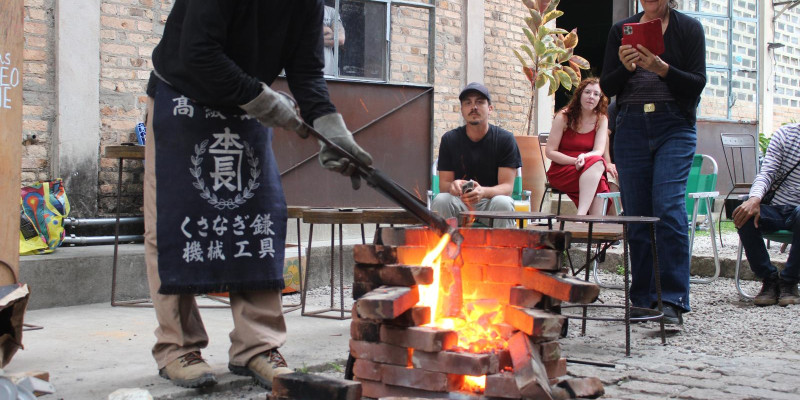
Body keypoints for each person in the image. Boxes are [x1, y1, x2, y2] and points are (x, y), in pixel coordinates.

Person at [143, 0, 372, 390]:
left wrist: (329, 124)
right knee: (173, 223)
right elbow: (198, 52)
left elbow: (306, 70)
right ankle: (177, 347)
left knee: (258, 220)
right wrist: (263, 98)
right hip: (185, 94)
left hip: (245, 104)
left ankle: (257, 346)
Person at [600, 0, 706, 325]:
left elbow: (697, 82)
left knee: (668, 206)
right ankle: (644, 299)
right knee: (637, 214)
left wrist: (663, 69)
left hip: (674, 125)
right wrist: (626, 67)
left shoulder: (688, 28)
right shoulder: (622, 30)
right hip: (631, 125)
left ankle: (672, 300)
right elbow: (607, 86)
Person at [431, 82, 522, 229]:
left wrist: (484, 192)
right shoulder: (449, 139)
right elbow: (443, 185)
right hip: (460, 203)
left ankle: (504, 250)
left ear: (490, 108)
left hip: (490, 202)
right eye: (468, 103)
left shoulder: (505, 139)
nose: (473, 107)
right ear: (462, 110)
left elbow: (507, 188)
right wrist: (453, 186)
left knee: (503, 202)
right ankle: (445, 250)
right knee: (442, 200)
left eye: (479, 102)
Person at [732, 123, 800, 307]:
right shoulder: (785, 135)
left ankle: (789, 281)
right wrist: (754, 198)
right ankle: (769, 279)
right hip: (776, 207)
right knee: (742, 213)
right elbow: (767, 172)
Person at [545, 78, 610, 216]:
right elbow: (550, 152)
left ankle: (586, 223)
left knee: (598, 166)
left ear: (600, 98)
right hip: (563, 169)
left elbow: (599, 150)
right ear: (580, 94)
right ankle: (591, 225)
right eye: (587, 92)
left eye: (596, 94)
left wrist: (584, 158)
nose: (591, 97)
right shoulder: (564, 116)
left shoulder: (601, 119)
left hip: (588, 167)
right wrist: (575, 161)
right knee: (599, 175)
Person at [323, 5, 345, 75]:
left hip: (327, 75)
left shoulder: (331, 12)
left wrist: (308, 39)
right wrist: (327, 30)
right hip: (299, 72)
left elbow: (340, 38)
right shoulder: (294, 9)